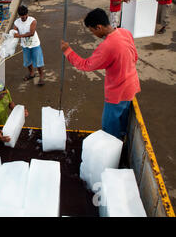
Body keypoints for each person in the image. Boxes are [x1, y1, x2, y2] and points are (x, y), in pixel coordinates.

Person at [60, 8, 140, 139]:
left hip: (117, 93)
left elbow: (85, 65)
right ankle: (121, 139)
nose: (93, 34)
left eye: (92, 31)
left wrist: (67, 51)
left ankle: (113, 154)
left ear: (99, 27)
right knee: (122, 122)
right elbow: (135, 57)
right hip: (131, 86)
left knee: (109, 129)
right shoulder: (125, 32)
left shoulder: (108, 46)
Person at [13, 5, 45, 85]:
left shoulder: (32, 20)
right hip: (25, 45)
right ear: (19, 15)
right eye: (21, 16)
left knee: (38, 62)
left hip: (35, 44)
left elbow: (31, 33)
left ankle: (41, 77)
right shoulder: (17, 22)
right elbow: (14, 31)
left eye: (24, 15)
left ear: (27, 14)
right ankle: (32, 74)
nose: (23, 17)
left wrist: (19, 36)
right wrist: (13, 33)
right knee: (27, 62)